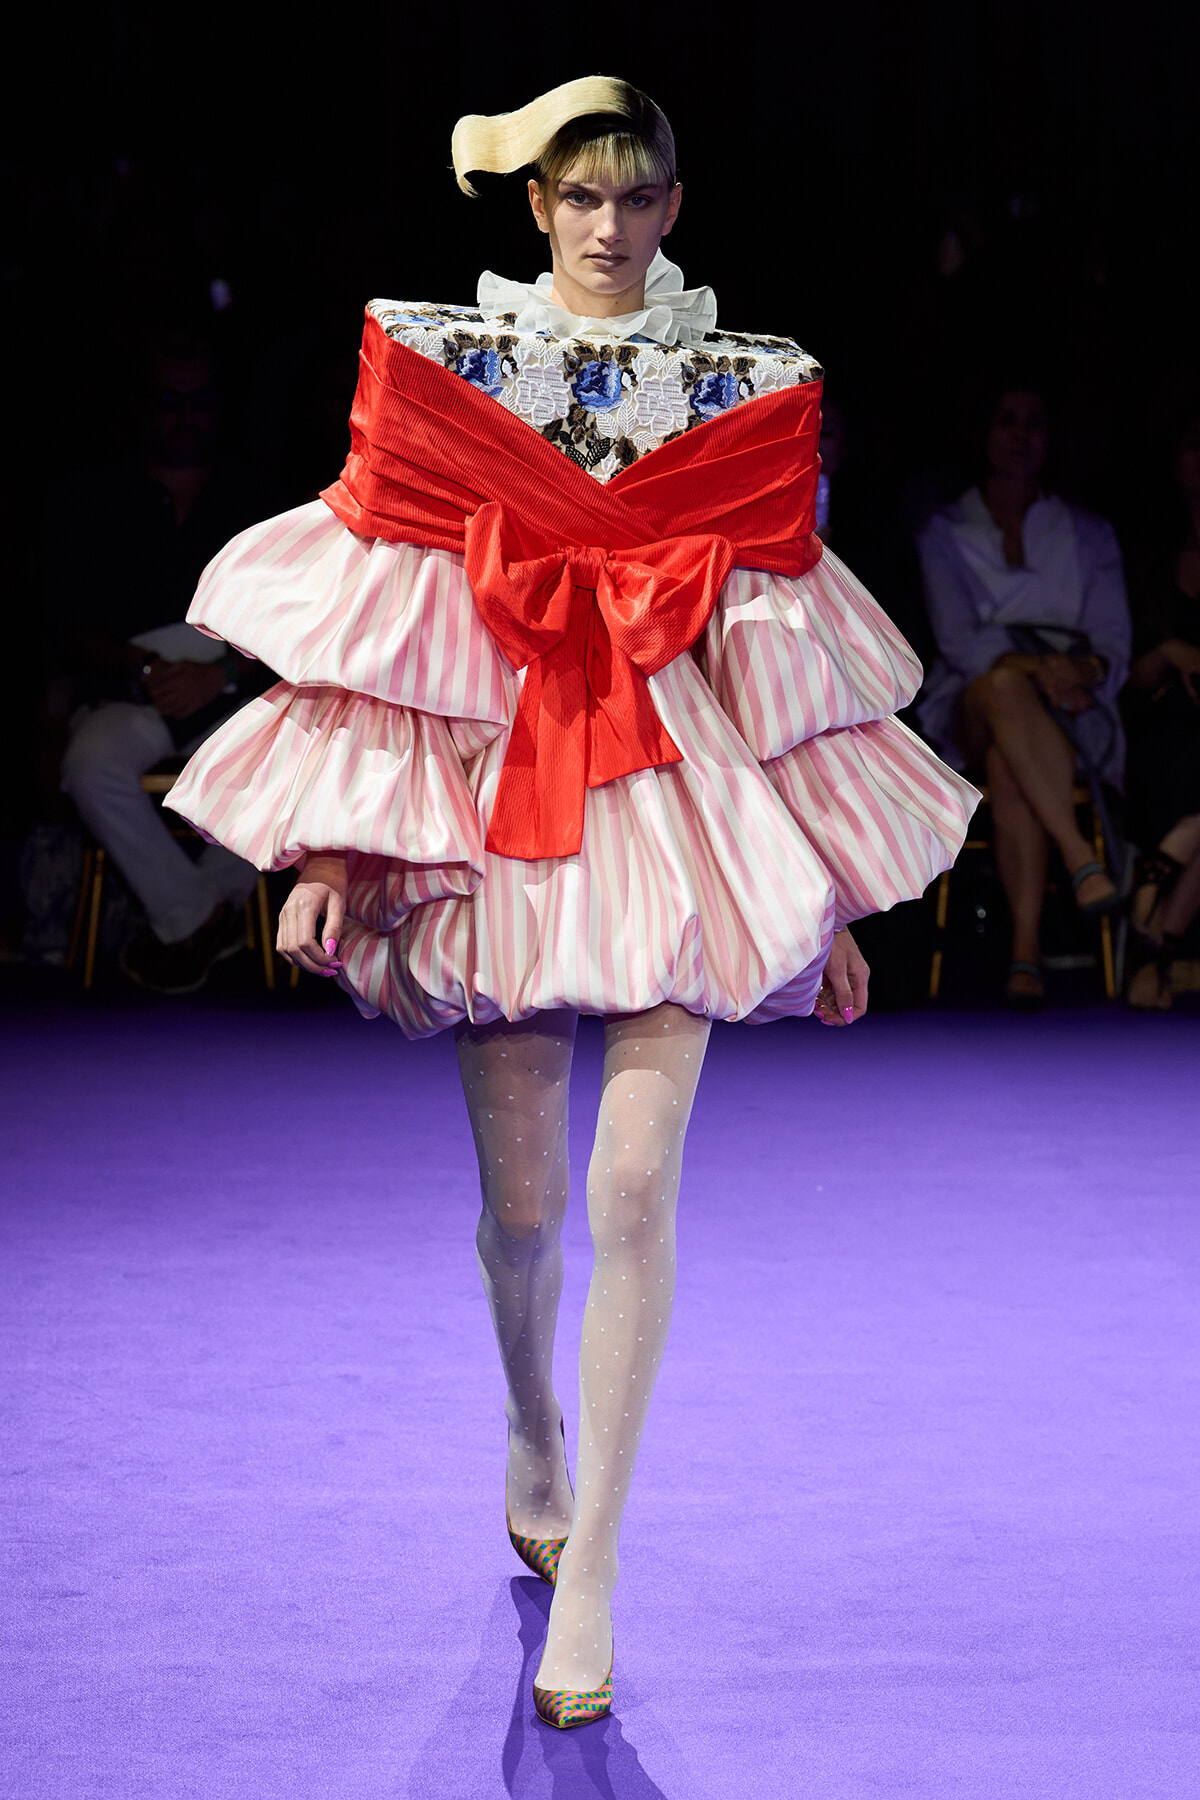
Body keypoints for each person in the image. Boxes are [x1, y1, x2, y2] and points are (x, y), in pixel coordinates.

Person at [166, 78, 976, 1726]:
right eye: (582, 198)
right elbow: (395, 611)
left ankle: (594, 1566)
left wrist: (827, 899)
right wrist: (337, 849)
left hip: (682, 799)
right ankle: (531, 1424)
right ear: (536, 206)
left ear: (676, 204)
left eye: (638, 195)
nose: (611, 226)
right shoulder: (459, 370)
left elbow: (779, 649)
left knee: (634, 1189)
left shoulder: (743, 387)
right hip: (508, 799)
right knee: (527, 1208)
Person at [46, 334, 279, 991]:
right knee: (90, 762)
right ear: (142, 408)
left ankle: (192, 922)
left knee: (291, 762)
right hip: (134, 686)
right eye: (169, 402)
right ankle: (203, 915)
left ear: (220, 409)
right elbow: (64, 621)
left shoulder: (259, 498)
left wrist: (222, 674)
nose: (185, 417)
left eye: (199, 402)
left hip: (239, 687)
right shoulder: (91, 499)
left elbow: (300, 621)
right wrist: (143, 667)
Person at [915, 385, 1131, 1009]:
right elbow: (960, 640)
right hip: (978, 699)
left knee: (1009, 767)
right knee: (1004, 688)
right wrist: (1037, 670)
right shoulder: (945, 530)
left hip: (1071, 705)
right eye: (1007, 421)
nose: (1020, 435)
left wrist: (1081, 671)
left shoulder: (1089, 533)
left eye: (1034, 423)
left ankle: (1025, 952)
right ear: (983, 434)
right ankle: (1078, 854)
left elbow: (1112, 640)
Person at [1122, 404, 1200, 1008]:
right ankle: (1164, 947)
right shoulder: (1151, 556)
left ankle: (1155, 931)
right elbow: (1127, 672)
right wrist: (1173, 651)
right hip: (1161, 734)